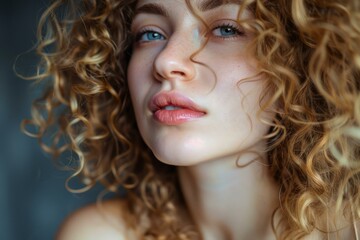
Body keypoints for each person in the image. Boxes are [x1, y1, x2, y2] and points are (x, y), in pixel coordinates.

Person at [23, 0, 360, 239]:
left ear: (299, 60)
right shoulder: (98, 235)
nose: (166, 61)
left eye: (226, 29)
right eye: (150, 34)